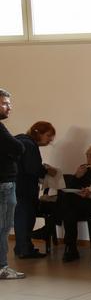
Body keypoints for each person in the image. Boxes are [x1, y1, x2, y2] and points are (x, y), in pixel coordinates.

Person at [14, 122, 56, 259]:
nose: (50, 140)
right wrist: (46, 170)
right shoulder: (30, 145)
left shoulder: (20, 140)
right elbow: (32, 169)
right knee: (26, 218)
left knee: (20, 218)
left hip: (16, 186)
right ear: (38, 133)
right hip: (24, 188)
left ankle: (21, 247)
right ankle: (25, 249)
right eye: (48, 135)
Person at [0, 88, 25, 280]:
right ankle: (2, 267)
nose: (9, 107)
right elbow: (18, 147)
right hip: (4, 184)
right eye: (5, 103)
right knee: (3, 227)